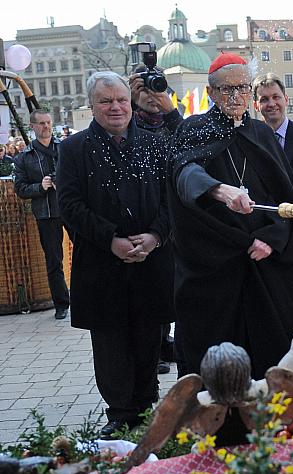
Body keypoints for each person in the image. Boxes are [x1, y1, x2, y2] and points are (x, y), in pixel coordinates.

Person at [167, 53, 293, 385]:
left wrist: (272, 240)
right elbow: (185, 175)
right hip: (218, 264)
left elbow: (286, 201)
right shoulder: (193, 130)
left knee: (270, 349)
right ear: (210, 92)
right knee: (216, 356)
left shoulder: (261, 134)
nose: (235, 97)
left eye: (241, 88)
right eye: (226, 90)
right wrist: (220, 190)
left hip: (264, 262)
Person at [56, 72, 174, 438]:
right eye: (106, 101)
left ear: (131, 101)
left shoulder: (156, 145)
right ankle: (120, 414)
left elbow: (173, 201)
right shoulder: (73, 149)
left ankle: (146, 408)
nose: (115, 107)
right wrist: (111, 240)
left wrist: (155, 236)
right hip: (102, 266)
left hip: (150, 263)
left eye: (121, 99)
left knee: (148, 340)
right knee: (110, 345)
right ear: (92, 106)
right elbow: (70, 205)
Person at [129, 65, 182, 376]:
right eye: (145, 90)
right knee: (150, 290)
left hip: (175, 220)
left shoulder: (173, 121)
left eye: (157, 87)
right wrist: (132, 102)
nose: (152, 96)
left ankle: (167, 341)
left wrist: (171, 110)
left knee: (170, 287)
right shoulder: (129, 124)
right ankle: (156, 346)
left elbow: (191, 142)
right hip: (144, 222)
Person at [13, 110, 70, 320]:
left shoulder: (64, 149)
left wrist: (61, 182)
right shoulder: (24, 157)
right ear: (33, 126)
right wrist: (41, 186)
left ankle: (87, 296)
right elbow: (20, 189)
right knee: (54, 261)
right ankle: (61, 304)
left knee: (85, 252)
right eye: (41, 123)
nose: (46, 127)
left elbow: (80, 176)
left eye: (48, 123)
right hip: (46, 213)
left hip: (70, 209)